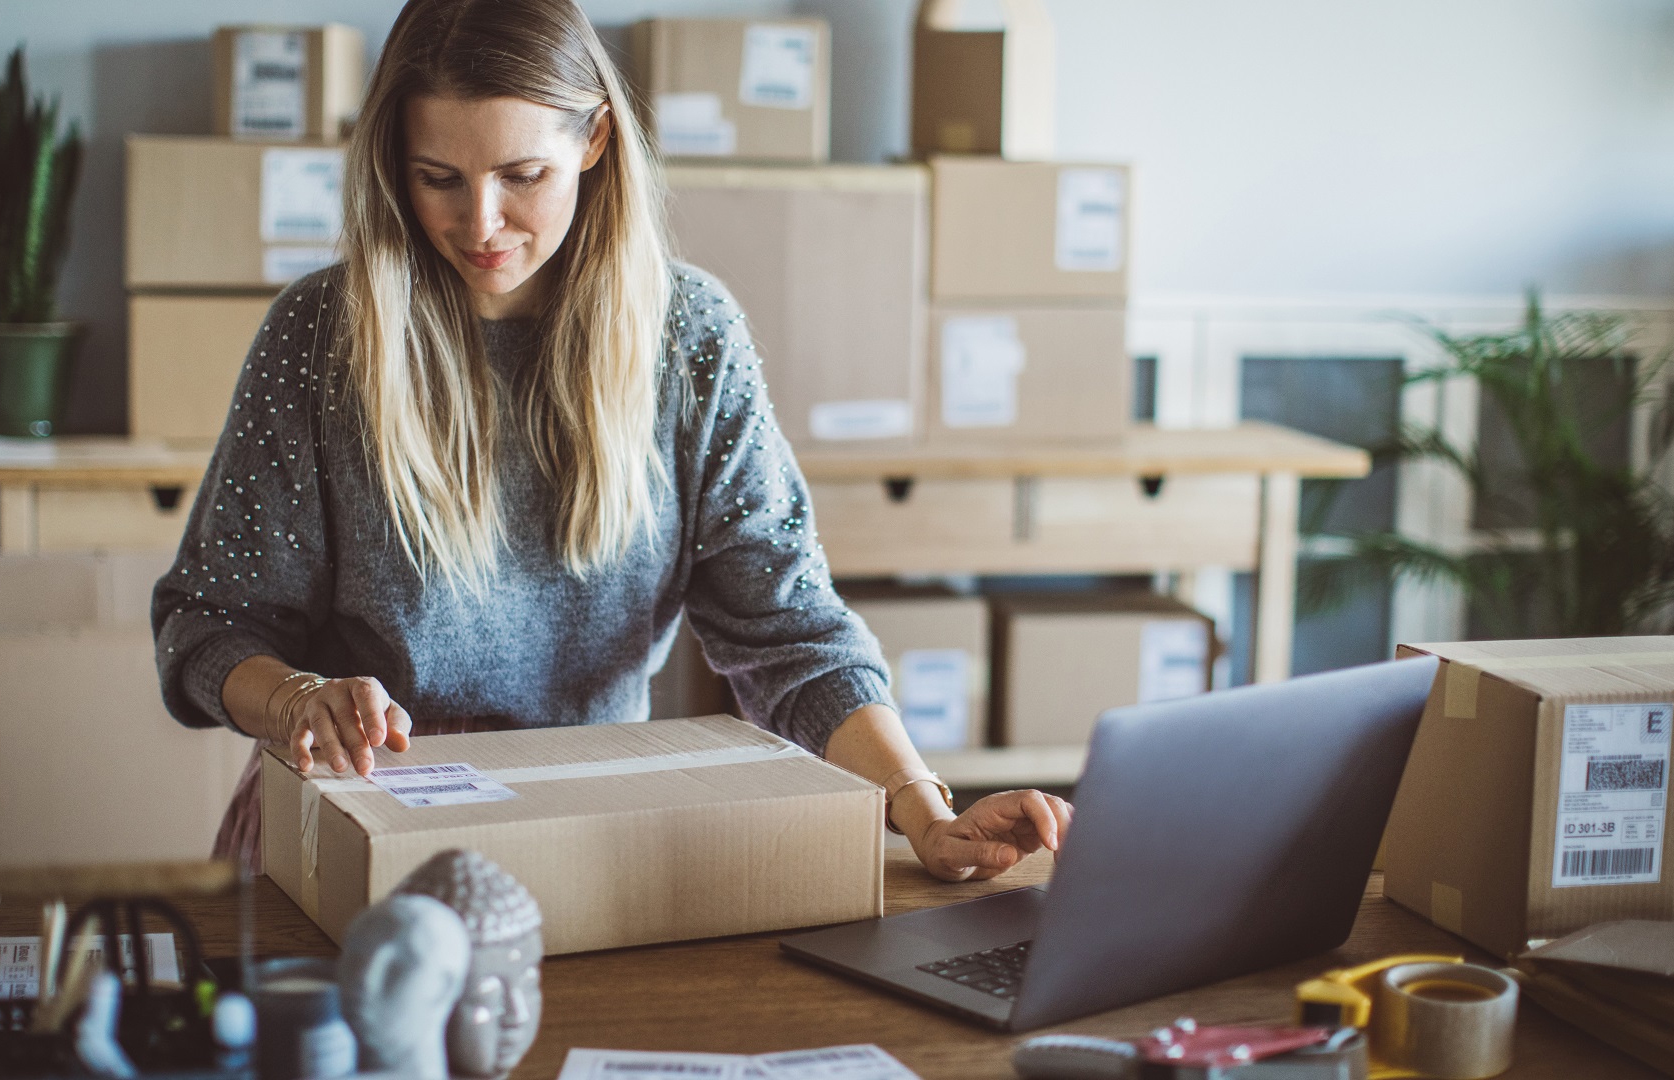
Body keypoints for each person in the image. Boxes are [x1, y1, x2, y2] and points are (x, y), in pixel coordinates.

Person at [151, 0, 1070, 883]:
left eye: (522, 177)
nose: (480, 224)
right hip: (349, 826)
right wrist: (298, 698)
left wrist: (923, 812)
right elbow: (207, 628)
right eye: (439, 178)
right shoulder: (320, 337)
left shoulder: (690, 335)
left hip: (579, 821)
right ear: (394, 161)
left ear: (593, 140)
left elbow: (792, 633)